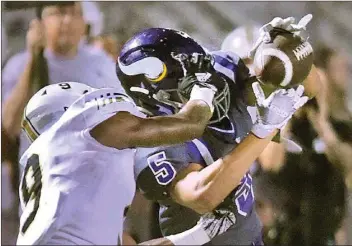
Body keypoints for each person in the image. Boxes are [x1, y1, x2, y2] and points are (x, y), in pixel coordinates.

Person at [116, 26, 309, 245]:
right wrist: (263, 131)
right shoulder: (153, 144)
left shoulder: (221, 73)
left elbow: (306, 88)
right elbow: (202, 196)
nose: (211, 85)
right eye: (195, 85)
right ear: (159, 96)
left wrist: (285, 51)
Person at [16, 52, 226, 245]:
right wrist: (203, 87)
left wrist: (199, 234)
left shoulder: (60, 171)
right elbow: (191, 125)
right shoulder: (85, 127)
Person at [2, 2, 119, 159]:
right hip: (44, 172)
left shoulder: (100, 62)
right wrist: (34, 58)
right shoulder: (20, 64)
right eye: (59, 13)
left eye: (75, 13)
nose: (68, 21)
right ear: (39, 23)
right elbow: (11, 126)